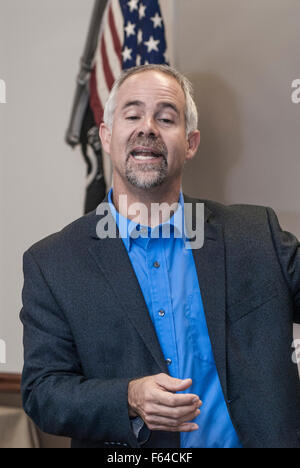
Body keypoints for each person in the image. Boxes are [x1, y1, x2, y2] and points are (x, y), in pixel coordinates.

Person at [20, 64, 300, 449]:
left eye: (166, 118)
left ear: (191, 143)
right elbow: (43, 392)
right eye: (132, 114)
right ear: (106, 134)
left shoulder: (255, 234)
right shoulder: (52, 264)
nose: (147, 127)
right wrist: (129, 397)